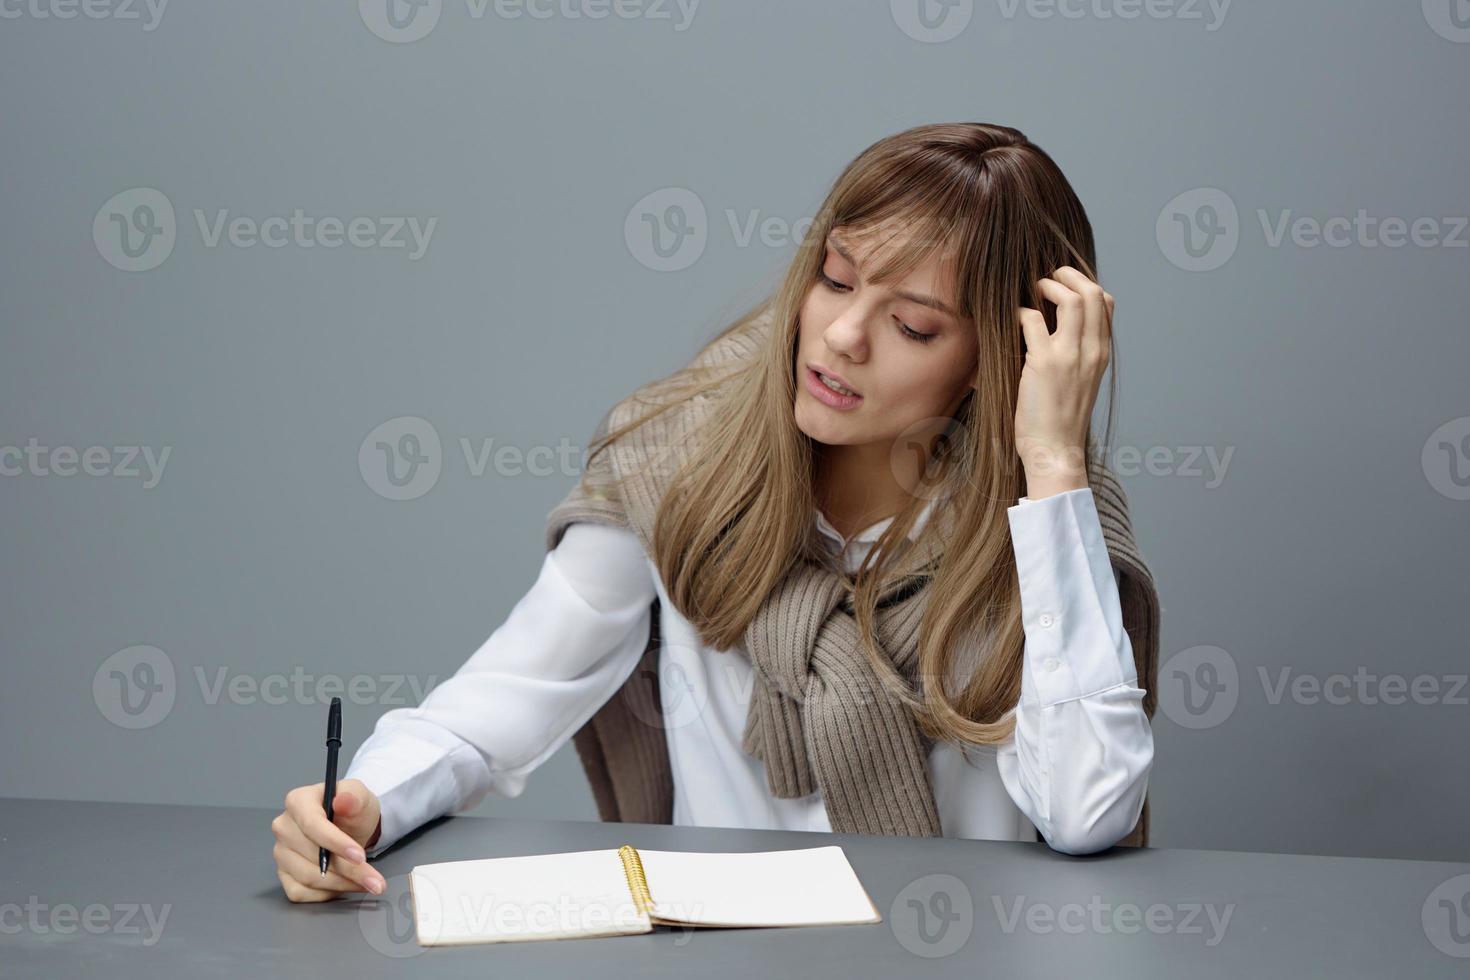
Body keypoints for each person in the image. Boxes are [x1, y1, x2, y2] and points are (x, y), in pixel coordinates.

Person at [271, 122, 1159, 903]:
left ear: (1000, 354)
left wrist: (1051, 464)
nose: (844, 336)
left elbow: (1087, 811)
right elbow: (498, 703)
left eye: (914, 326)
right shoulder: (680, 468)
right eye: (837, 280)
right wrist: (364, 806)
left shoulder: (1044, 529)